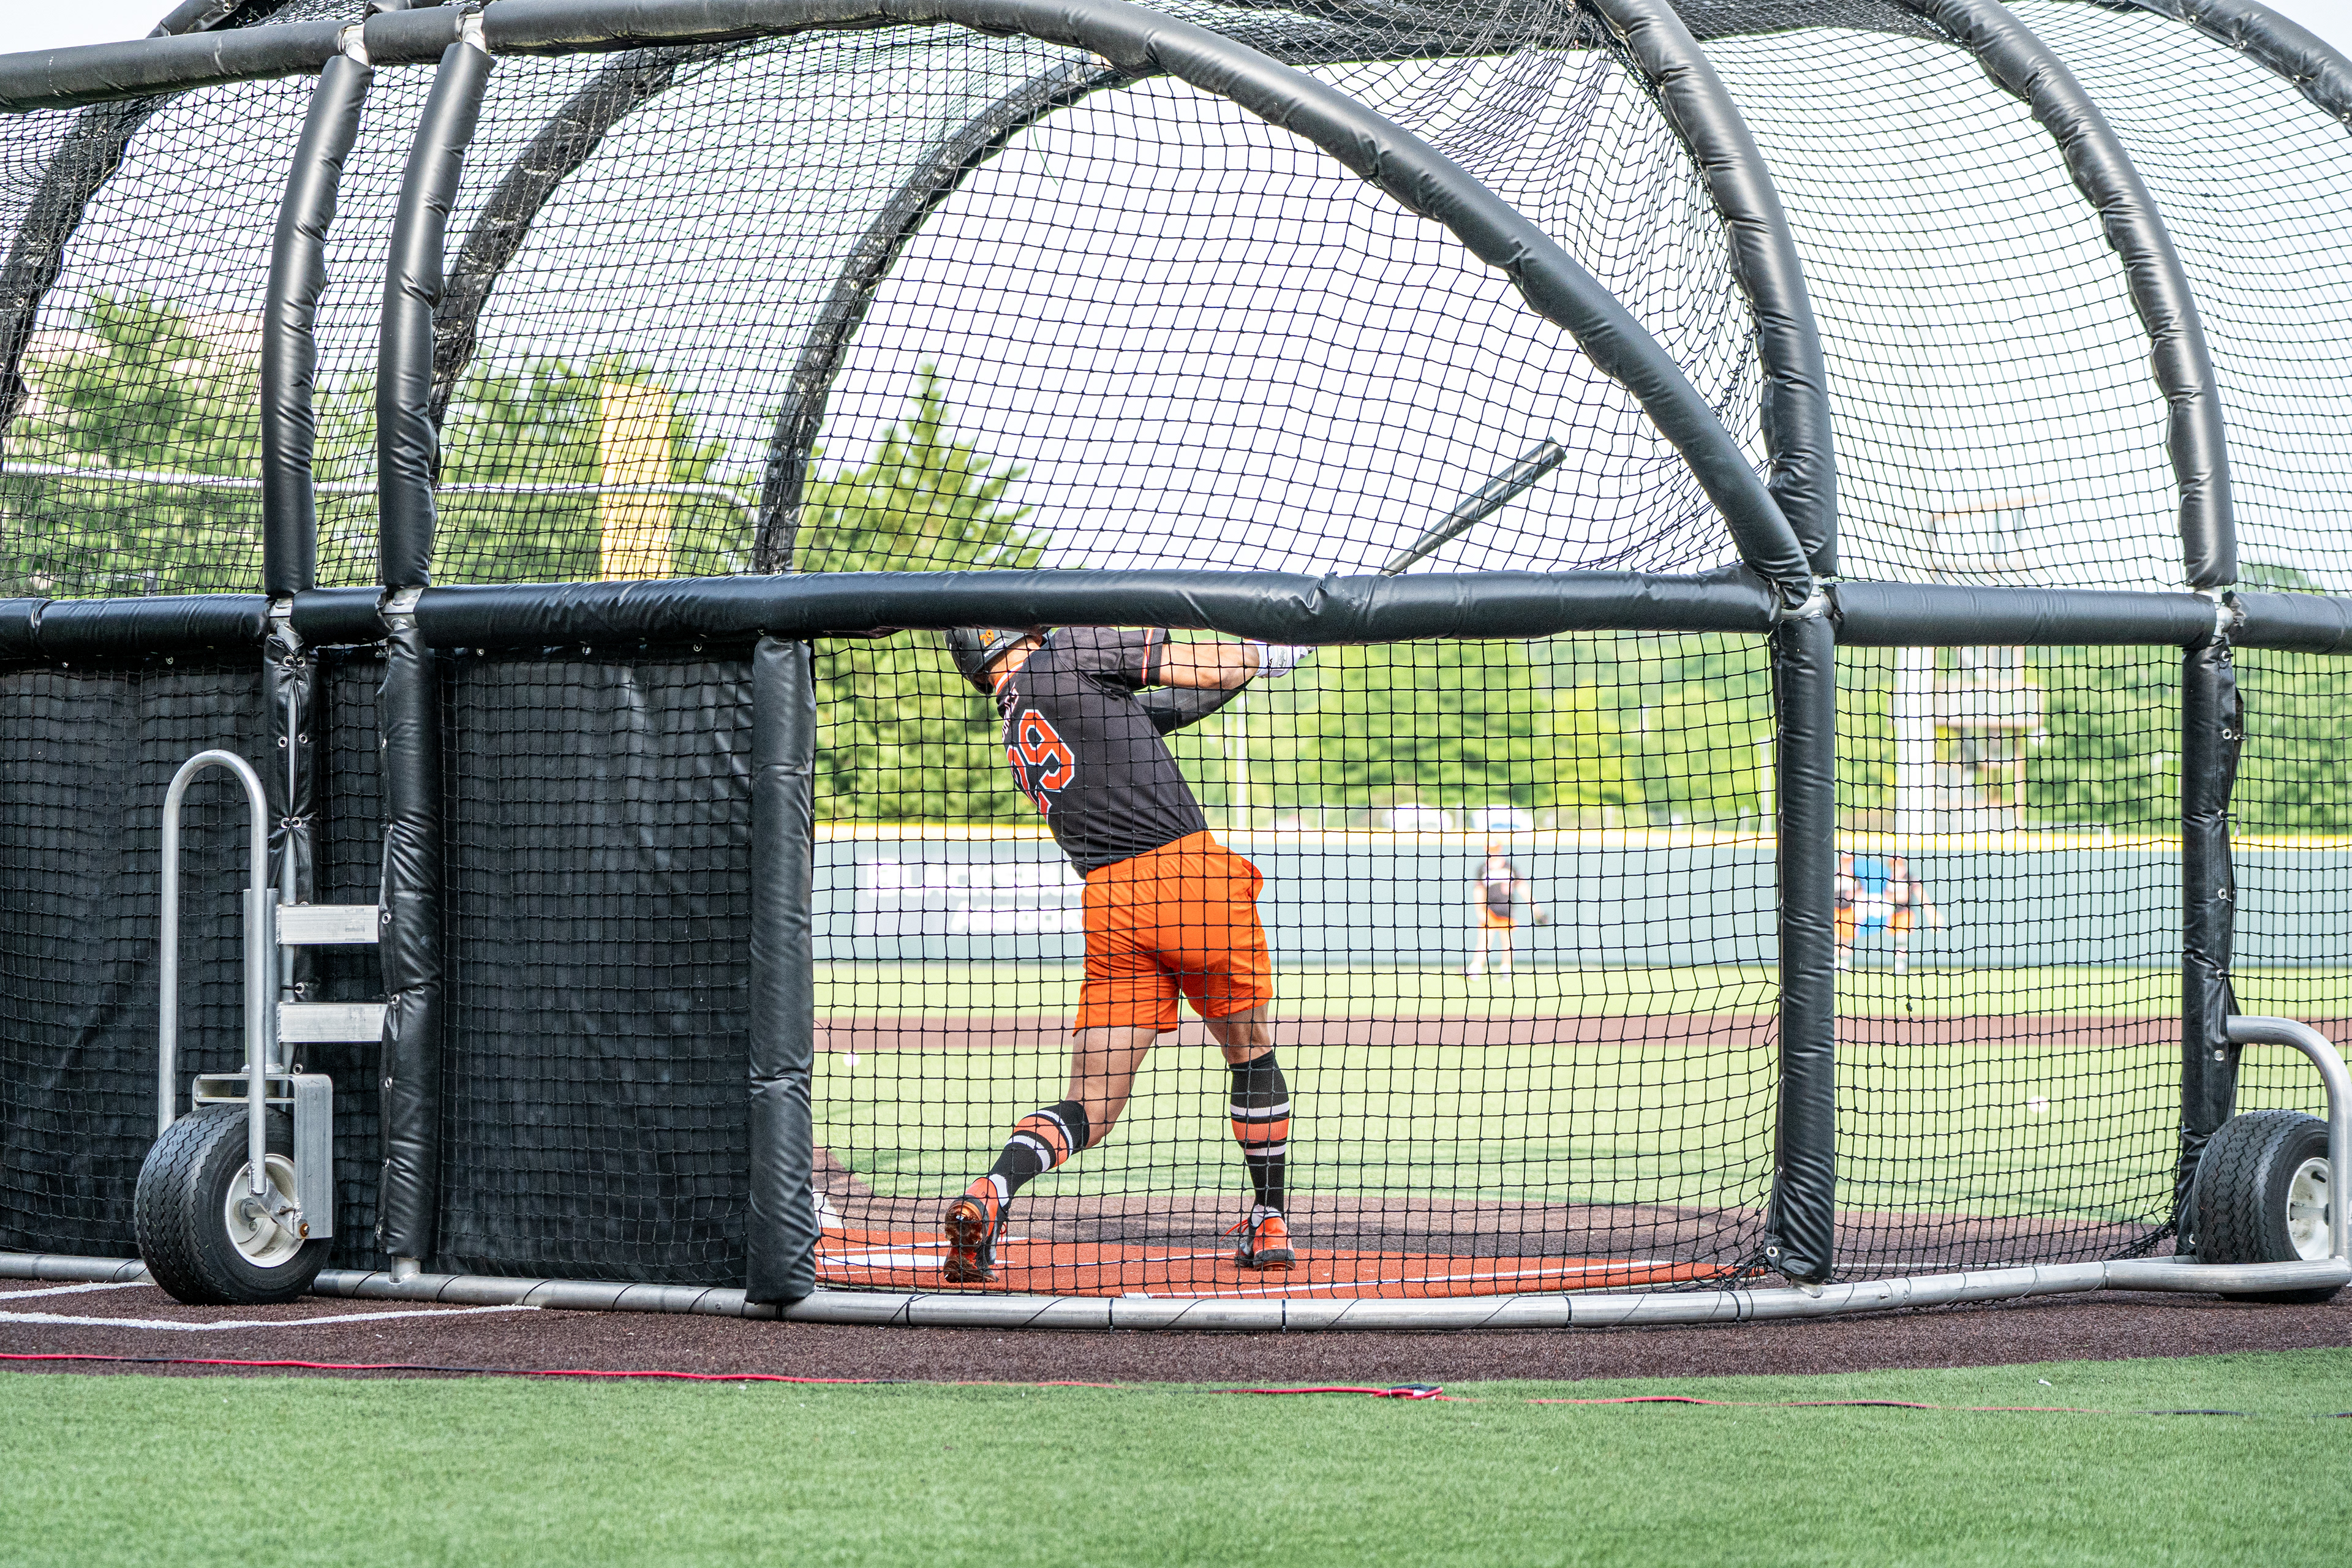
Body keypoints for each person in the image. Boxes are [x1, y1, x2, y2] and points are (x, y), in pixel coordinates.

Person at [937, 624, 1310, 1282]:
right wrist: (1274, 649)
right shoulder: (1072, 650)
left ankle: (993, 1189)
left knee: (1091, 1103)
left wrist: (1258, 667)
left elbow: (1162, 711)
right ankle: (1269, 1217)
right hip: (1188, 878)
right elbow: (1211, 670)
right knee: (1250, 1048)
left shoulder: (1018, 713)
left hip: (1111, 903)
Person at [1466, 840, 1542, 978]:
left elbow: (1522, 887)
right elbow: (1478, 891)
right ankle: (1475, 970)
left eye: (1494, 850)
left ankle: (1506, 971)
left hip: (1507, 910)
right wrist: (1479, 911)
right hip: (1490, 911)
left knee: (1507, 942)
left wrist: (1536, 908)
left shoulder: (1509, 867)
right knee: (1484, 941)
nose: (1492, 853)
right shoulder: (1482, 869)